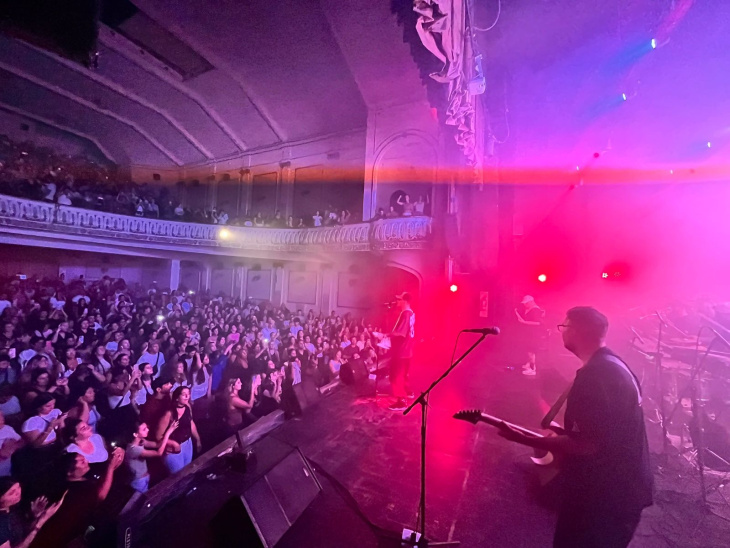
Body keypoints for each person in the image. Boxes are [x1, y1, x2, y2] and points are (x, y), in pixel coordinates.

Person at [498, 306, 653, 548]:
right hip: (623, 491)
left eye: (564, 326)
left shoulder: (595, 377)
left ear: (576, 331)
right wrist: (565, 433)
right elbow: (605, 431)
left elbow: (585, 445)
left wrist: (524, 438)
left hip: (605, 497)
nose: (561, 331)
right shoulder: (614, 364)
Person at [0, 478, 64, 548]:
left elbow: (22, 532)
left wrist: (34, 514)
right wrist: (41, 521)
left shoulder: (13, 507)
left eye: (18, 487)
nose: (18, 492)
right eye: (12, 493)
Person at [156, 386, 201, 474]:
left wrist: (198, 439)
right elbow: (158, 436)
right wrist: (173, 443)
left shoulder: (187, 407)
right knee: (178, 474)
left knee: (188, 471)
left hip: (187, 443)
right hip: (173, 450)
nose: (187, 396)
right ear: (177, 398)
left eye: (188, 394)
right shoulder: (169, 414)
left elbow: (191, 423)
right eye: (184, 394)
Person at [125, 420, 178, 493]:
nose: (148, 430)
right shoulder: (133, 449)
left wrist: (169, 432)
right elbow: (158, 453)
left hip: (145, 478)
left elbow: (157, 445)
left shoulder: (141, 441)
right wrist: (168, 433)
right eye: (144, 429)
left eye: (146, 427)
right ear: (135, 434)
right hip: (138, 483)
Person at [388, 292, 416, 411]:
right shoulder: (412, 313)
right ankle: (408, 393)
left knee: (395, 376)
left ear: (405, 301)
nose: (397, 302)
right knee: (404, 375)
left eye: (399, 300)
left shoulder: (405, 314)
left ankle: (401, 401)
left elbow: (400, 333)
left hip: (401, 350)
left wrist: (386, 335)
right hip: (408, 350)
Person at [515, 295, 545, 376]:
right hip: (530, 333)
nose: (525, 305)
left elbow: (538, 323)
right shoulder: (530, 309)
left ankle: (532, 369)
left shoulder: (535, 310)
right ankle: (529, 365)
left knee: (532, 351)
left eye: (527, 303)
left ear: (531, 302)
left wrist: (524, 322)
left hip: (534, 334)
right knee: (529, 350)